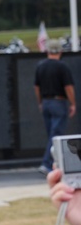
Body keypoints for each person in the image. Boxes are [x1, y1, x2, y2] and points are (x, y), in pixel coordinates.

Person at [35, 41, 76, 174]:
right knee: (56, 136)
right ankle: (47, 164)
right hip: (59, 102)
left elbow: (37, 87)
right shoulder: (62, 67)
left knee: (51, 136)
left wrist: (40, 102)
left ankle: (55, 164)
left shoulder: (40, 66)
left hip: (46, 102)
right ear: (60, 52)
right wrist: (73, 103)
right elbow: (68, 87)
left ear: (47, 51)